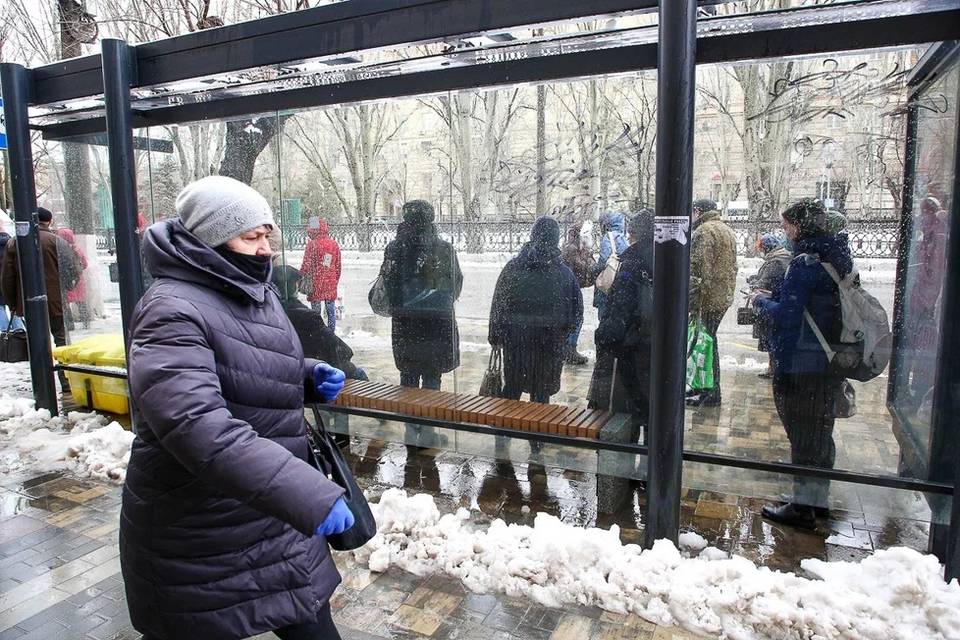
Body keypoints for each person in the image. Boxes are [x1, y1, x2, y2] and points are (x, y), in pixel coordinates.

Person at [120, 175, 351, 640]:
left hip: (271, 511)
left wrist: (305, 375)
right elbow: (195, 424)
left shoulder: (250, 288)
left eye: (267, 234)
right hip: (201, 527)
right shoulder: (170, 310)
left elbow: (242, 358)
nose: (265, 248)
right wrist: (305, 492)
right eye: (251, 236)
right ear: (211, 237)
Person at [751, 199, 851, 529]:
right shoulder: (837, 256)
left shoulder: (805, 263)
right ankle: (815, 499)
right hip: (828, 359)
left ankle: (803, 507)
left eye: (787, 226)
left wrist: (762, 300)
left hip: (803, 362)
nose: (785, 232)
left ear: (799, 226)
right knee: (821, 431)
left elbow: (788, 316)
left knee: (803, 433)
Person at [489, 216, 582, 405]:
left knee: (512, 389)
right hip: (549, 343)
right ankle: (536, 434)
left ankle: (502, 432)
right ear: (556, 239)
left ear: (533, 236)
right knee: (541, 396)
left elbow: (499, 303)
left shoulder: (514, 267)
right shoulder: (564, 273)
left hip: (516, 341)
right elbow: (576, 311)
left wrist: (495, 335)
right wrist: (564, 336)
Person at [381, 199, 463, 392]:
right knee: (433, 375)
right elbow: (455, 284)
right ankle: (429, 419)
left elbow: (388, 285)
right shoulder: (444, 249)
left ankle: (411, 419)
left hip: (406, 323)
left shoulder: (394, 249)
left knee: (408, 376)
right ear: (431, 219)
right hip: (437, 322)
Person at [1, 207, 80, 390]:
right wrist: (65, 288)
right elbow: (74, 268)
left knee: (38, 340)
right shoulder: (56, 241)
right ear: (49, 222)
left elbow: (7, 278)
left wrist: (13, 304)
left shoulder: (15, 243)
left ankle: (42, 381)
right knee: (61, 339)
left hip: (29, 303)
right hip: (56, 301)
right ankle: (65, 380)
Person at [595, 209, 655, 443]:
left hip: (634, 344)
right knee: (653, 408)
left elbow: (620, 305)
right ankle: (652, 465)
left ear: (634, 232)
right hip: (657, 347)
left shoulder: (632, 260)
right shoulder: (670, 257)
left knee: (629, 407)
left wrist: (605, 337)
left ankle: (628, 467)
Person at [272, 264, 367, 381]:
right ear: (293, 285)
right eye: (297, 283)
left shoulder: (270, 310)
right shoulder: (307, 317)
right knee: (358, 374)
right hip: (314, 372)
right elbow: (334, 347)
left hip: (292, 368)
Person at [687, 199, 738, 407]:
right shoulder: (726, 229)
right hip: (721, 297)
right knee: (706, 343)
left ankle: (710, 391)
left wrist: (692, 302)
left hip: (707, 299)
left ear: (697, 211)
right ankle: (704, 387)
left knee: (706, 345)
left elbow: (699, 271)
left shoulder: (704, 232)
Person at [747, 234, 792, 378]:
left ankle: (773, 369)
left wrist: (754, 283)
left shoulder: (776, 261)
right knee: (773, 339)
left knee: (771, 338)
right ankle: (774, 368)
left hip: (769, 302)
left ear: (766, 248)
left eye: (761, 248)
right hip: (775, 301)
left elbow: (765, 282)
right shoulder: (782, 258)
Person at [561, 221, 595, 365]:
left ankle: (569, 348)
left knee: (576, 317)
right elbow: (582, 268)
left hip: (572, 288)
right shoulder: (572, 249)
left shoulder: (575, 248)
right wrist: (587, 253)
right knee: (576, 318)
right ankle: (569, 349)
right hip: (570, 290)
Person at [301, 216, 342, 332]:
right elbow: (338, 265)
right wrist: (335, 280)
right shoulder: (333, 244)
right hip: (330, 282)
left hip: (315, 283)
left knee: (316, 312)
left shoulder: (312, 245)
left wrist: (301, 276)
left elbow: (306, 265)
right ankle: (331, 333)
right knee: (331, 311)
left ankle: (317, 333)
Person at [591, 212, 629, 322]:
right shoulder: (625, 238)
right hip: (620, 284)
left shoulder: (608, 237)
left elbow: (604, 261)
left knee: (604, 317)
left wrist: (594, 269)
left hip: (608, 285)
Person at [56, 228, 89, 331]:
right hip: (78, 279)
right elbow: (85, 264)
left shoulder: (61, 249)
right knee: (81, 301)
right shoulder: (77, 249)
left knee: (66, 303)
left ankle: (70, 324)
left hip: (66, 279)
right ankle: (86, 321)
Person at [0, 224, 24, 332]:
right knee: (14, 306)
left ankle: (4, 332)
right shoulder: (12, 243)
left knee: (0, 307)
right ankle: (18, 330)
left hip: (3, 281)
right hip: (12, 280)